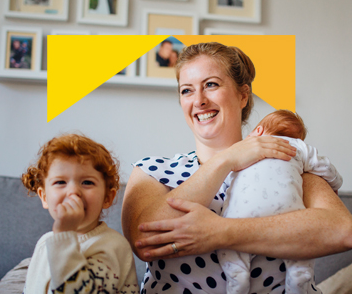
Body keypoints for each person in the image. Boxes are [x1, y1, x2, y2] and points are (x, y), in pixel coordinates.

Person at [122, 42, 352, 294]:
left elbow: (343, 231)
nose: (198, 100)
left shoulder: (282, 159)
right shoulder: (154, 170)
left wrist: (221, 232)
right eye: (187, 90)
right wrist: (227, 159)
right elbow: (144, 243)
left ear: (243, 95)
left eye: (211, 84)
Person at [218, 109, 343, 294]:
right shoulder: (298, 147)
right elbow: (325, 167)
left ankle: (238, 280)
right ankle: (299, 275)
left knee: (229, 249)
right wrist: (334, 185)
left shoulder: (241, 152)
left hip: (240, 216)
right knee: (301, 245)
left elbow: (225, 181)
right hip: (287, 216)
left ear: (258, 132)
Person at [22, 134, 139, 294]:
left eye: (87, 182)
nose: (73, 192)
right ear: (44, 197)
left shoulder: (113, 247)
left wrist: (65, 235)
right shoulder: (45, 243)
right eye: (60, 182)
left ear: (107, 198)